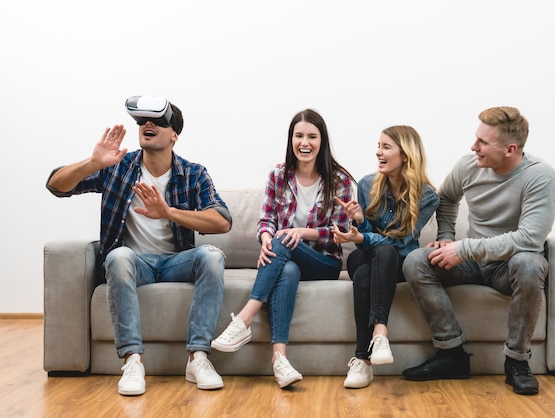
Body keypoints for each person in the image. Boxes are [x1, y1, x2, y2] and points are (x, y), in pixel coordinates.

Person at [46, 96, 232, 396]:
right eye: (143, 121)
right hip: (134, 263)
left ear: (174, 134)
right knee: (118, 257)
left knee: (211, 256)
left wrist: (168, 212)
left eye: (159, 121)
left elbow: (222, 221)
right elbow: (56, 185)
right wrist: (93, 163)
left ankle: (198, 358)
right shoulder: (118, 167)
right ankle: (133, 361)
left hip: (176, 263)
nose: (148, 124)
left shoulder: (193, 173)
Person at [401, 106, 555, 396]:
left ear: (510, 149)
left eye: (483, 142)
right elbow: (446, 198)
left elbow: (530, 239)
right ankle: (452, 354)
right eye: (476, 139)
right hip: (474, 264)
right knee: (416, 261)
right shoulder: (468, 166)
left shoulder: (541, 177)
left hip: (507, 266)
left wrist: (465, 248)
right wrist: (447, 237)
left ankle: (517, 363)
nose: (474, 146)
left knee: (530, 263)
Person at [211, 109, 355, 388]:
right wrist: (265, 238)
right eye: (299, 135)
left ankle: (244, 318)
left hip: (324, 263)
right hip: (288, 259)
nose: (305, 142)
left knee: (283, 238)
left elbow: (340, 235)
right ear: (291, 140)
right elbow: (266, 221)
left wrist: (302, 232)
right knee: (286, 268)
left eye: (312, 136)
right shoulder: (278, 175)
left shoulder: (339, 180)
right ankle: (280, 360)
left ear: (322, 141)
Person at [332, 125, 439, 389]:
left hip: (397, 262)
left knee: (384, 254)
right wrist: (359, 222)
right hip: (363, 256)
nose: (378, 152)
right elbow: (365, 241)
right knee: (371, 258)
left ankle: (362, 360)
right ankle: (379, 334)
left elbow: (401, 242)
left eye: (386, 147)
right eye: (378, 146)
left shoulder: (426, 196)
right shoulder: (368, 184)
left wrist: (362, 236)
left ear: (405, 155)